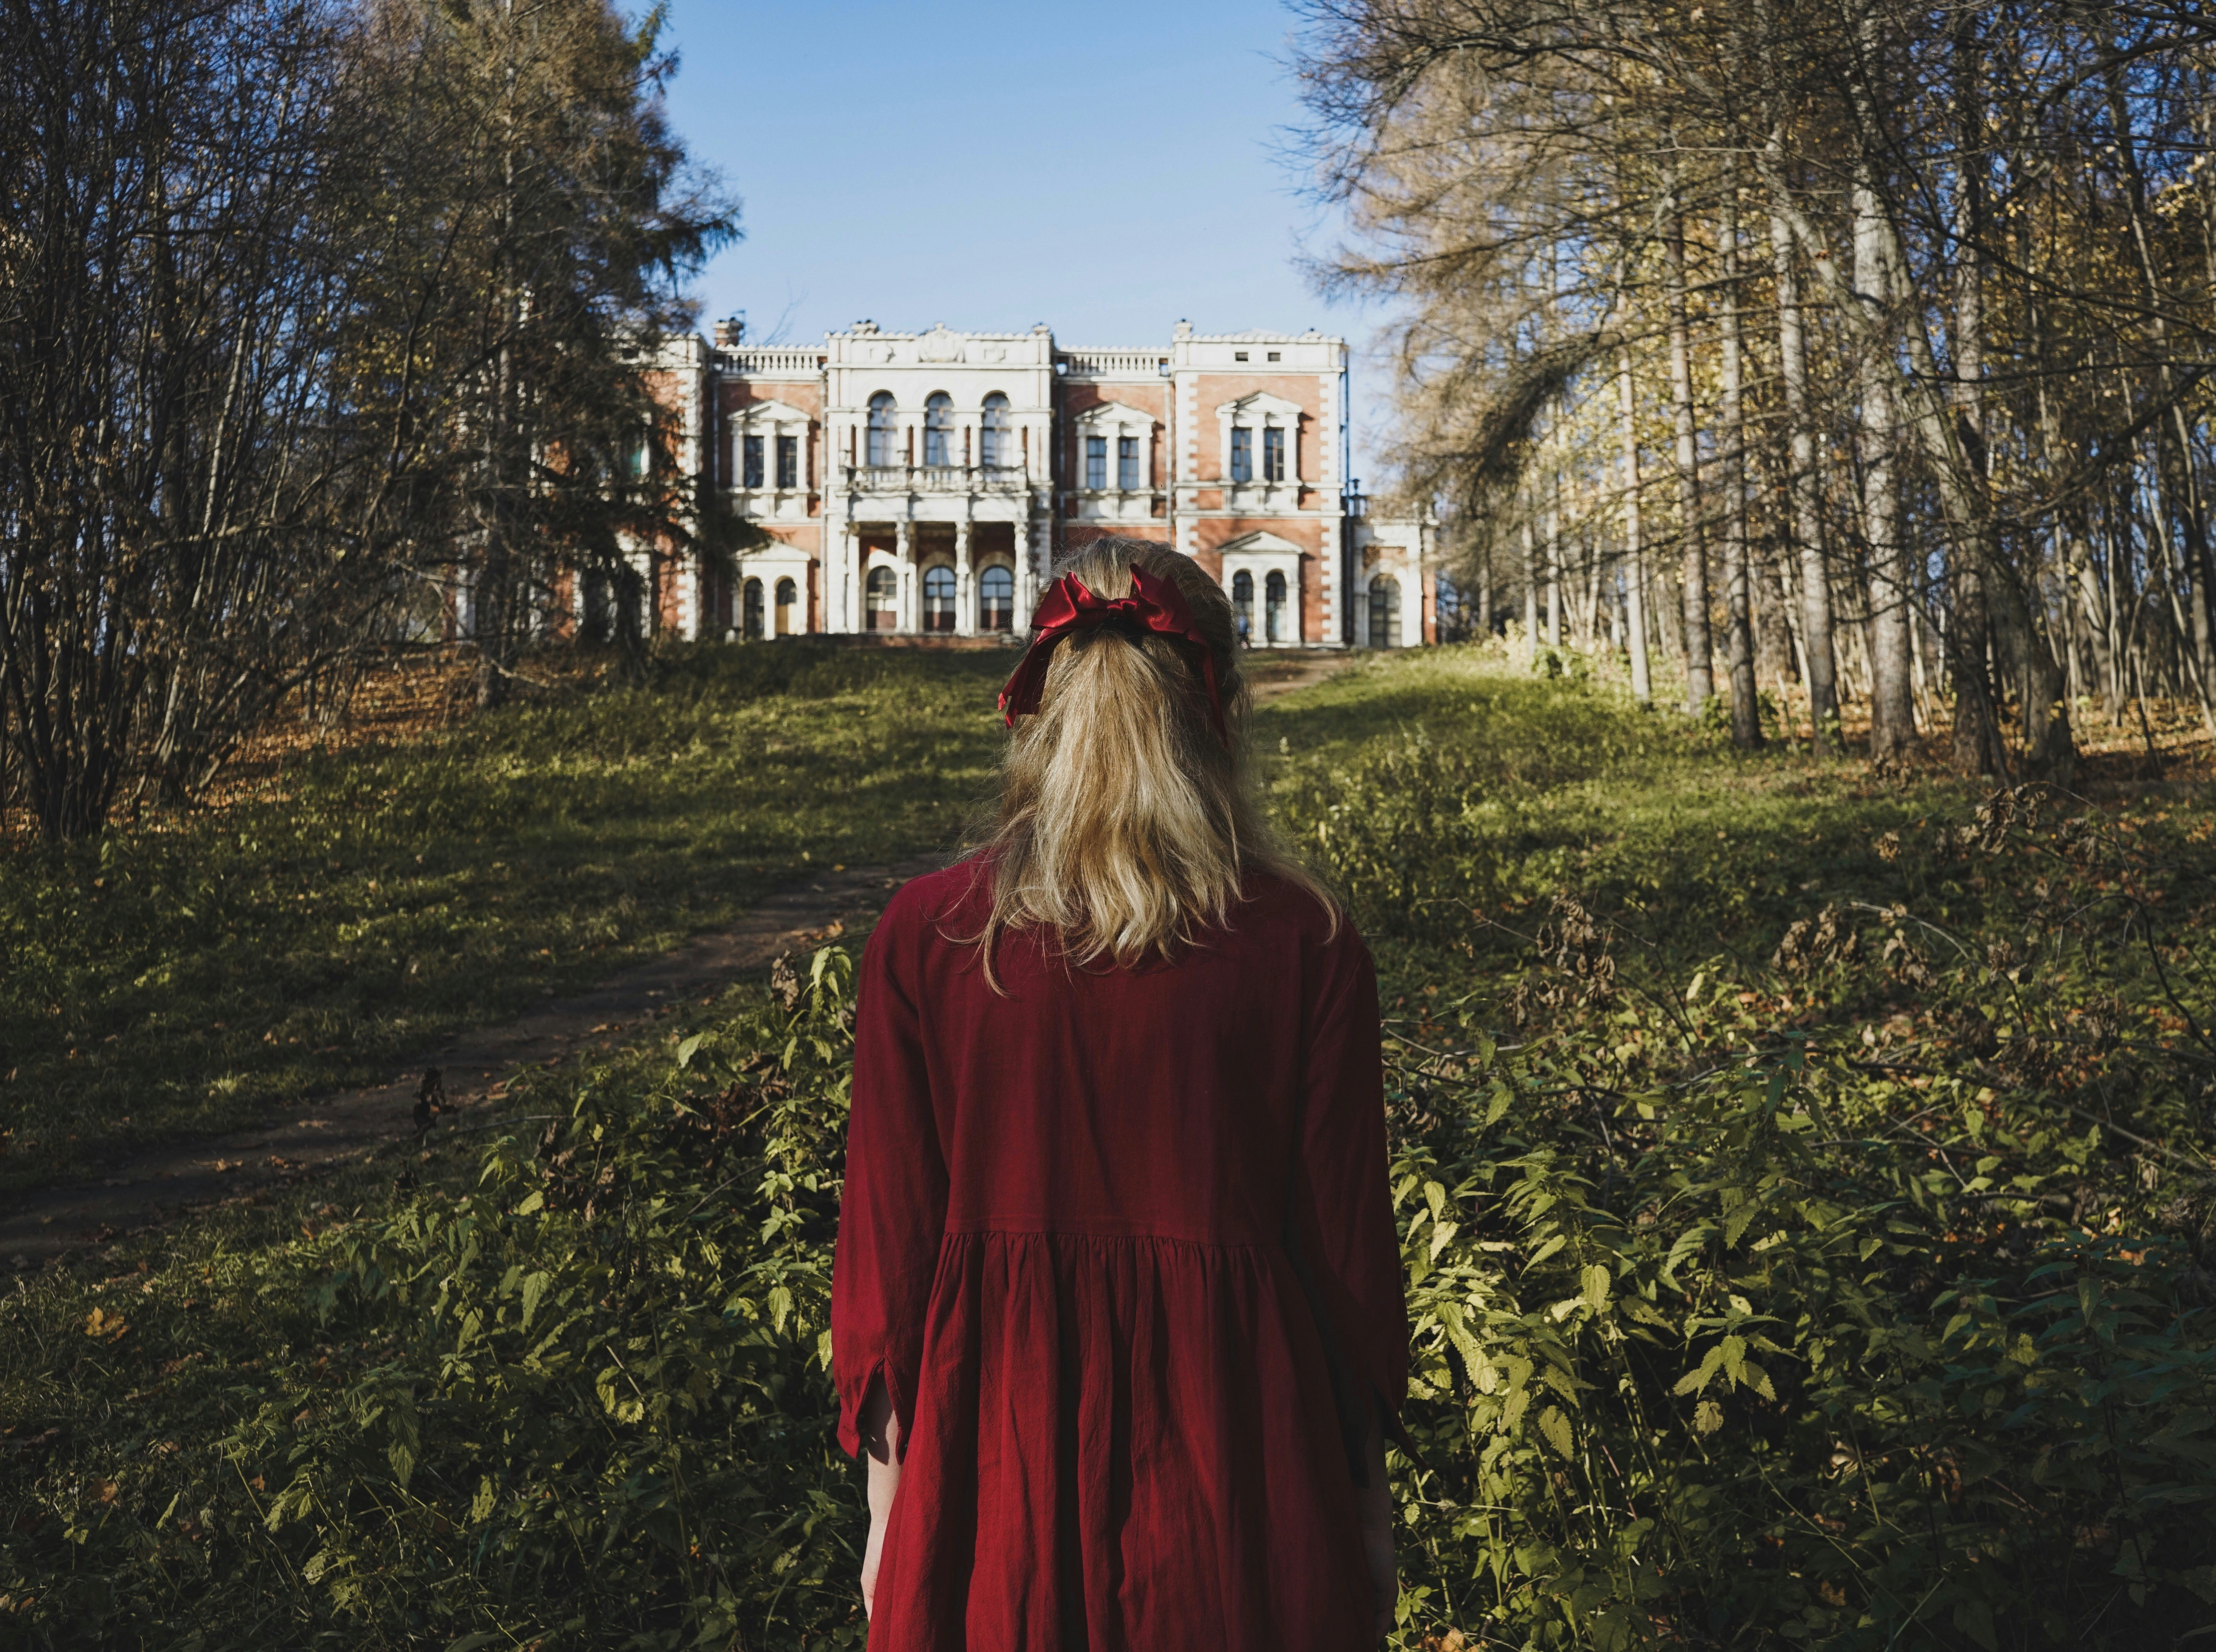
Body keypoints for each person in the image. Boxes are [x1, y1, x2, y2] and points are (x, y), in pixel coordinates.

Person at [833, 536, 1408, 1650]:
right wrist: (1365, 1513)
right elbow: (1346, 1268)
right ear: (1222, 713)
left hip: (992, 1461)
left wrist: (891, 1513)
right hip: (1243, 1467)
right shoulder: (1306, 943)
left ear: (1038, 715)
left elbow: (886, 1267)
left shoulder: (930, 937)